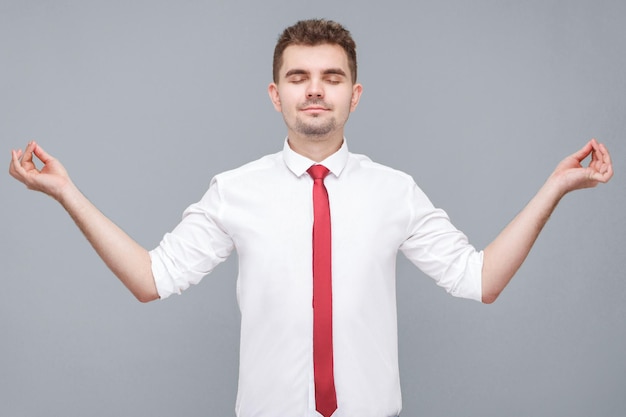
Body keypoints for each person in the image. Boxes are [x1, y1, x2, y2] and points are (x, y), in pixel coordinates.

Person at [8, 19, 613, 417]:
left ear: (355, 93)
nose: (315, 90)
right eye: (298, 77)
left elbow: (480, 280)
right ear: (276, 94)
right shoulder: (234, 191)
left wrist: (555, 186)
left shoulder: (395, 191)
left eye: (332, 77)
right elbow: (150, 278)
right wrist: (67, 193)